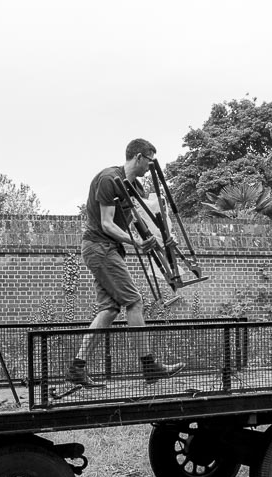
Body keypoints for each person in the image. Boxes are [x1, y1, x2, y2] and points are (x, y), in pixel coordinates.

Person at [65, 139, 185, 388]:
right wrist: (136, 243)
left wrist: (165, 235)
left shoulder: (135, 187)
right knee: (134, 301)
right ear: (139, 157)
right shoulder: (110, 179)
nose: (151, 167)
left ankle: (77, 368)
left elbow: (147, 217)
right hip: (100, 247)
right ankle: (149, 367)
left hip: (110, 249)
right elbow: (108, 224)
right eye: (150, 161)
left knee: (108, 310)